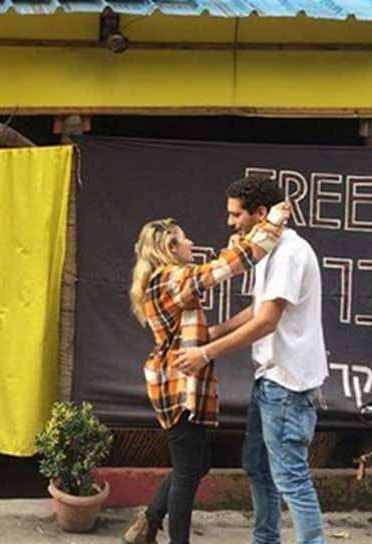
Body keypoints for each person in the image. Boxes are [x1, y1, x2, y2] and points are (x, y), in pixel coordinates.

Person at [173, 175, 329, 544]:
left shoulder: (290, 253)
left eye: (235, 215)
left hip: (287, 385)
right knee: (258, 468)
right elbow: (259, 307)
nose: (230, 223)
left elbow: (266, 321)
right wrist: (214, 332)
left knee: (291, 477)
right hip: (270, 380)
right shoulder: (267, 251)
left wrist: (205, 352)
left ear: (260, 213)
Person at [123, 201, 290, 544]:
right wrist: (271, 224)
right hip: (179, 386)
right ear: (170, 248)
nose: (191, 243)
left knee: (197, 464)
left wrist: (226, 329)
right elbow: (230, 266)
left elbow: (200, 320)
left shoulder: (166, 281)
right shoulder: (170, 278)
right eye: (185, 240)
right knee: (188, 471)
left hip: (179, 384)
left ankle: (149, 522)